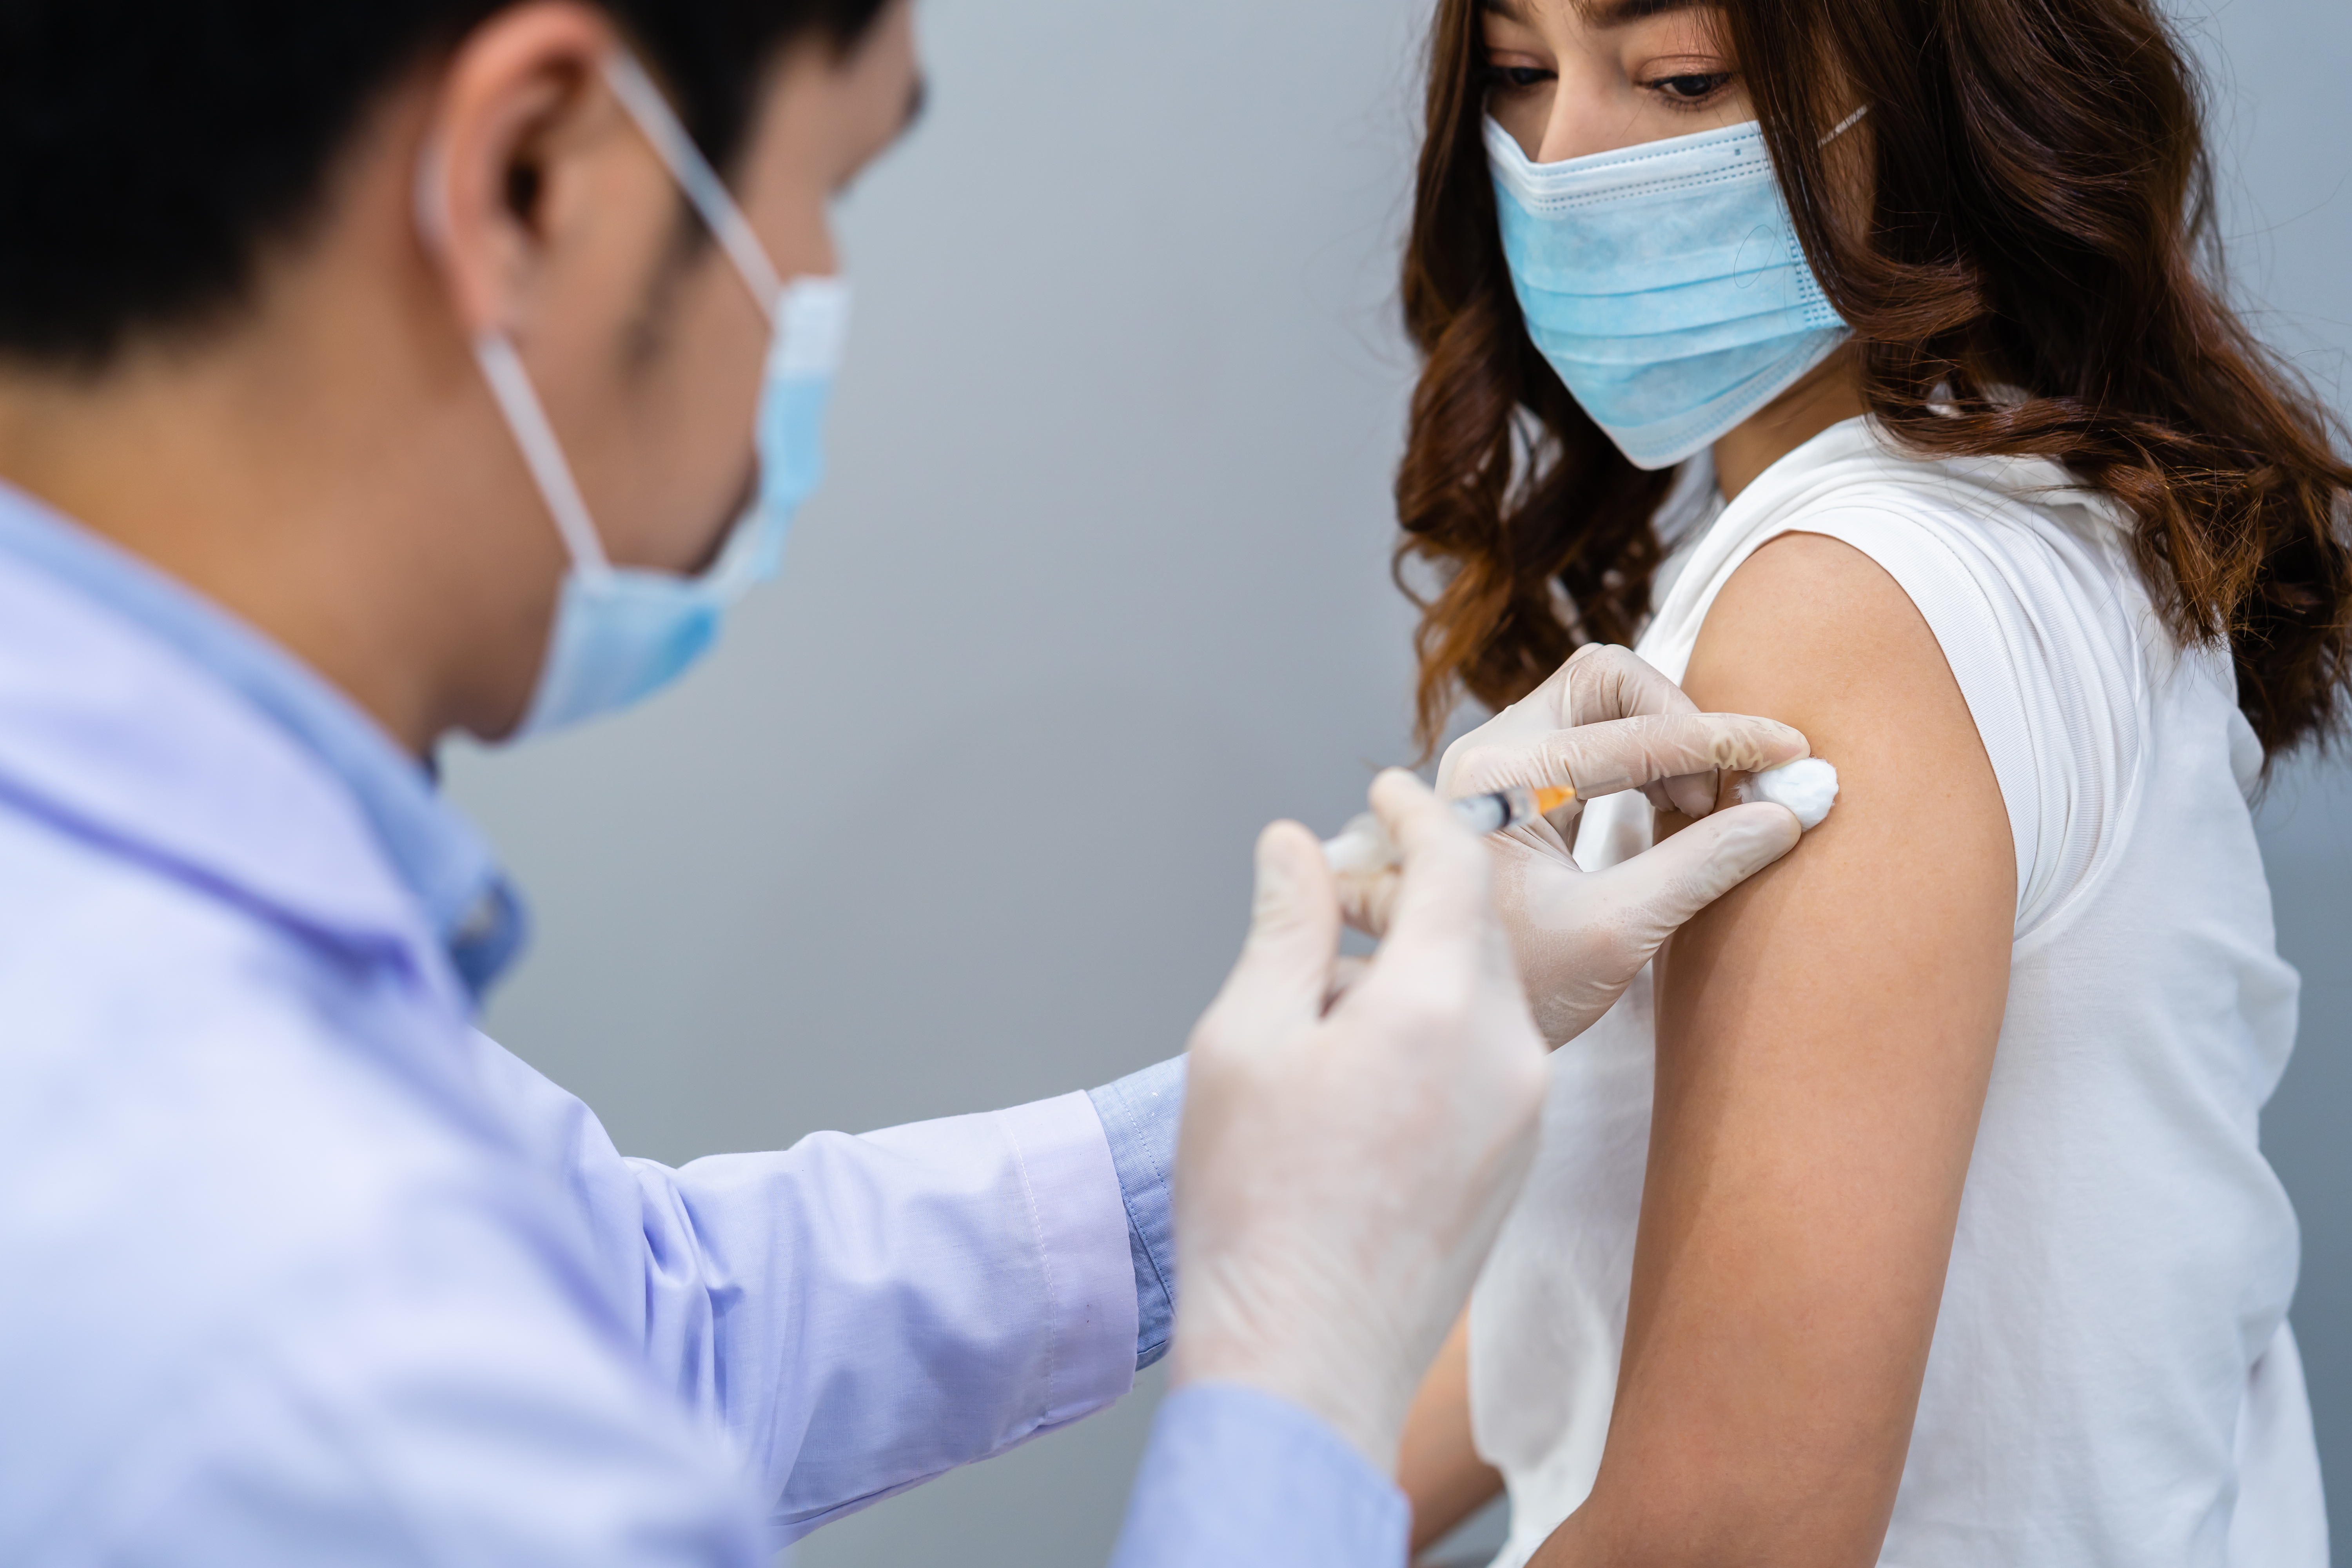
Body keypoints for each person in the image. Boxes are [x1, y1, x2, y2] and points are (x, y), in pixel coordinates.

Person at [0, 2, 1818, 1564]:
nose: (812, 294)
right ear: (531, 177)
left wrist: (1253, 1141)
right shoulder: (269, 1291)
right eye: (819, 194)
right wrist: (1298, 1375)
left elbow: (659, 1319)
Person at [1386, 0, 2352, 1563]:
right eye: (1516, 70)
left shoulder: (1846, 608)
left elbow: (1738, 1530)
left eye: (1680, 76)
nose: (1559, 159)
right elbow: (1607, 1268)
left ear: (1934, 80)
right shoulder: (1990, 511)